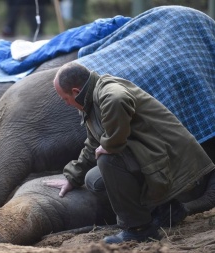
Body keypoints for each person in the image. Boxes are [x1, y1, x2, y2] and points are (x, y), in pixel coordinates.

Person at [44, 61, 215, 244]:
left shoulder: (107, 92)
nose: (67, 104)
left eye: (65, 99)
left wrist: (111, 143)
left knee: (108, 160)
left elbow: (117, 99)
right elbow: (93, 143)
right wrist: (72, 176)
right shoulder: (89, 101)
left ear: (76, 92)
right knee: (94, 180)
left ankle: (139, 228)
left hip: (170, 158)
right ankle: (167, 208)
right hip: (152, 158)